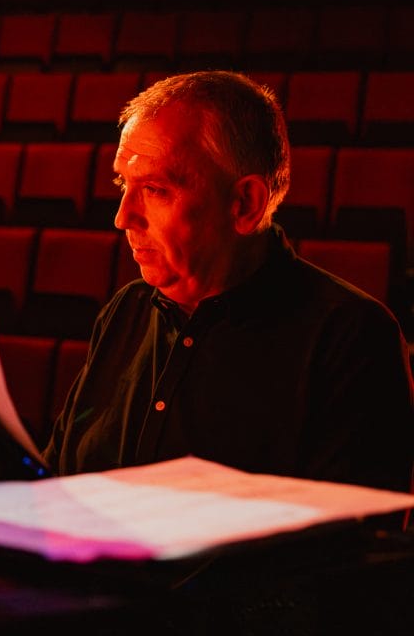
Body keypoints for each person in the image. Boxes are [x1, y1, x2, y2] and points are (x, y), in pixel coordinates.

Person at [43, 71, 413, 494]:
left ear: (245, 204)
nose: (123, 217)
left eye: (156, 190)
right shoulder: (124, 311)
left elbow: (350, 550)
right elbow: (59, 478)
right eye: (122, 183)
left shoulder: (350, 339)